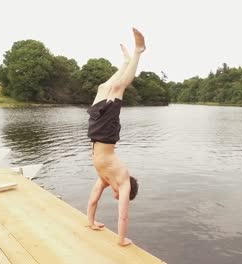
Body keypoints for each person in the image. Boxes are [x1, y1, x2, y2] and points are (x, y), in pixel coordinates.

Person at [86, 28, 145, 247]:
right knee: (118, 87)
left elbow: (93, 198)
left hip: (95, 133)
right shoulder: (122, 179)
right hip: (107, 134)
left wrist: (91, 222)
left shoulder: (105, 177)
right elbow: (123, 216)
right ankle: (138, 52)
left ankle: (125, 61)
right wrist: (121, 240)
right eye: (119, 196)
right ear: (126, 190)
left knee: (103, 87)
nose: (116, 196)